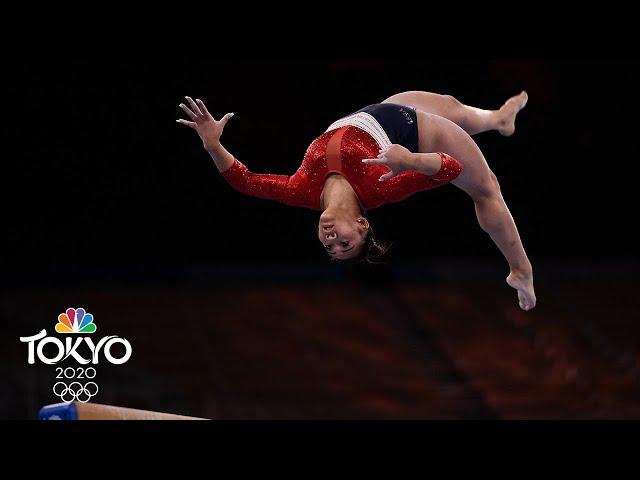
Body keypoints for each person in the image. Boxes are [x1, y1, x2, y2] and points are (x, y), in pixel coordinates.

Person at [177, 90, 536, 311]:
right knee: (486, 187)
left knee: (451, 106)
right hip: (413, 131)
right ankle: (521, 270)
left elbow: (245, 181)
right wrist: (409, 159)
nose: (332, 238)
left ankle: (497, 119)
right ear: (363, 224)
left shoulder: (301, 191)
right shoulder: (380, 188)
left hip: (375, 114)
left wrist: (213, 145)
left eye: (329, 245)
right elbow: (448, 169)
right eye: (344, 243)